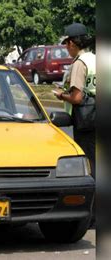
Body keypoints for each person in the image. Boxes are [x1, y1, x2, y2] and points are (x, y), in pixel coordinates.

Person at [53, 23, 95, 177]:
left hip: (86, 120)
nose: (66, 48)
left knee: (89, 161)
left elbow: (76, 98)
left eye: (66, 44)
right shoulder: (95, 59)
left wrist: (61, 95)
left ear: (71, 43)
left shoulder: (80, 63)